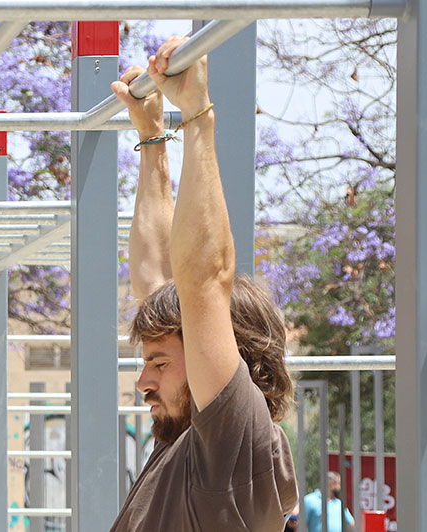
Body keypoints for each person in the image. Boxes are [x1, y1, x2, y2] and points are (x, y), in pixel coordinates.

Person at [108, 36, 300, 531]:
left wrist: (197, 116)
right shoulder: (187, 442)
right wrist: (152, 139)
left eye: (159, 363)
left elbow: (205, 281)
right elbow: (160, 278)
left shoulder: (232, 445)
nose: (143, 381)